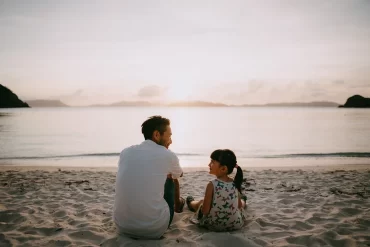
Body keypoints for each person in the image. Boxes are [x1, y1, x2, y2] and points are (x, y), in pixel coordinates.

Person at [113, 116, 185, 239]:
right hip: (154, 229)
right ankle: (178, 205)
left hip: (122, 227)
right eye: (169, 135)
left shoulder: (126, 152)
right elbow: (179, 174)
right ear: (157, 135)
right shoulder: (168, 155)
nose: (171, 141)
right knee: (171, 179)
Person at [186, 149, 246, 231]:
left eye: (212, 162)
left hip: (213, 225)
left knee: (201, 203)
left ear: (223, 168)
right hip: (236, 225)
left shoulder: (211, 185)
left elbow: (205, 211)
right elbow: (239, 206)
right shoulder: (234, 183)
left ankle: (190, 202)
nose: (209, 164)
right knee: (241, 203)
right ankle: (244, 199)